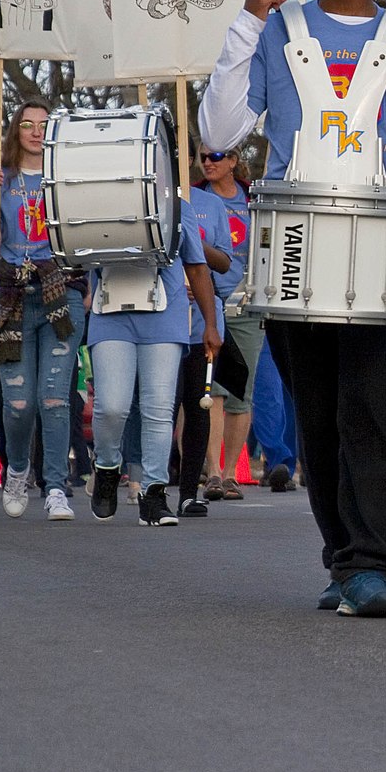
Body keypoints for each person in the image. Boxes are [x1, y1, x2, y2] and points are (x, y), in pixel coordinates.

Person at [200, 0, 386, 617]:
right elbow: (220, 130)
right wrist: (247, 20)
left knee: (370, 411)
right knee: (318, 417)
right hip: (291, 253)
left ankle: (371, 566)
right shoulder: (276, 31)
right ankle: (343, 558)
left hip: (377, 254)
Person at [87, 184, 222, 526]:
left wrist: (210, 324)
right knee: (112, 406)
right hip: (112, 309)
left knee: (159, 409)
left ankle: (154, 493)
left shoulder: (177, 206)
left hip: (165, 312)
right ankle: (105, 465)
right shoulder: (98, 198)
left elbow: (197, 266)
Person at [0, 98, 88, 521]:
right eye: (26, 124)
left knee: (54, 399)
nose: (34, 131)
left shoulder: (68, 179)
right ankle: (17, 468)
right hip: (10, 298)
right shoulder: (1, 180)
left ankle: (56, 487)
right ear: (15, 131)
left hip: (60, 295)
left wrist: (89, 285)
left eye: (43, 124)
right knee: (18, 404)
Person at [195, 144, 286, 496]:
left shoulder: (253, 197)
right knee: (210, 389)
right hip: (207, 300)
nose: (207, 162)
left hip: (246, 301)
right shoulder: (193, 197)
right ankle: (213, 472)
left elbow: (270, 244)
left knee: (240, 392)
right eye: (203, 156)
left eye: (215, 156)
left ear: (233, 161)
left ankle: (232, 472)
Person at [174, 140, 236, 517]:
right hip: (163, 318)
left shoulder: (210, 204)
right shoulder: (154, 197)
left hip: (200, 319)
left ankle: (188, 491)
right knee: (160, 406)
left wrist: (193, 241)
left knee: (199, 405)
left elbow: (224, 262)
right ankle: (141, 481)